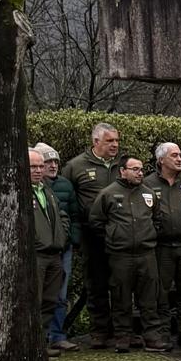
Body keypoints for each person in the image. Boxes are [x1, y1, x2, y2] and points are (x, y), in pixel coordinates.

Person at [88, 154, 169, 352]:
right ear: (122, 171)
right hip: (120, 255)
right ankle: (122, 336)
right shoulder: (108, 194)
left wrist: (148, 235)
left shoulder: (148, 193)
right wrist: (113, 237)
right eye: (134, 169)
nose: (139, 173)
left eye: (141, 169)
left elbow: (157, 219)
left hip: (146, 253)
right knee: (120, 297)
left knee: (149, 298)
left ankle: (151, 335)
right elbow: (96, 222)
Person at [63, 122, 121, 347]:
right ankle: (99, 330)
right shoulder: (76, 166)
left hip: (120, 233)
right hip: (91, 234)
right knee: (96, 283)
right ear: (96, 142)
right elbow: (66, 198)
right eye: (110, 141)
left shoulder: (124, 165)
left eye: (116, 140)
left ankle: (120, 329)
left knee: (120, 283)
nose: (115, 145)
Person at [144, 142, 181, 346]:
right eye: (174, 155)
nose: (179, 159)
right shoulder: (148, 184)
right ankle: (164, 333)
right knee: (162, 292)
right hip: (162, 247)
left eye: (180, 155)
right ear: (161, 160)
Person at [28, 148, 70, 358]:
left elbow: (62, 214)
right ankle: (32, 346)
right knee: (34, 300)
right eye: (33, 166)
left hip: (55, 253)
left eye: (39, 166)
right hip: (36, 255)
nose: (38, 170)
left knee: (50, 300)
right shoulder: (21, 191)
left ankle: (42, 342)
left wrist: (62, 235)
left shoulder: (46, 189)